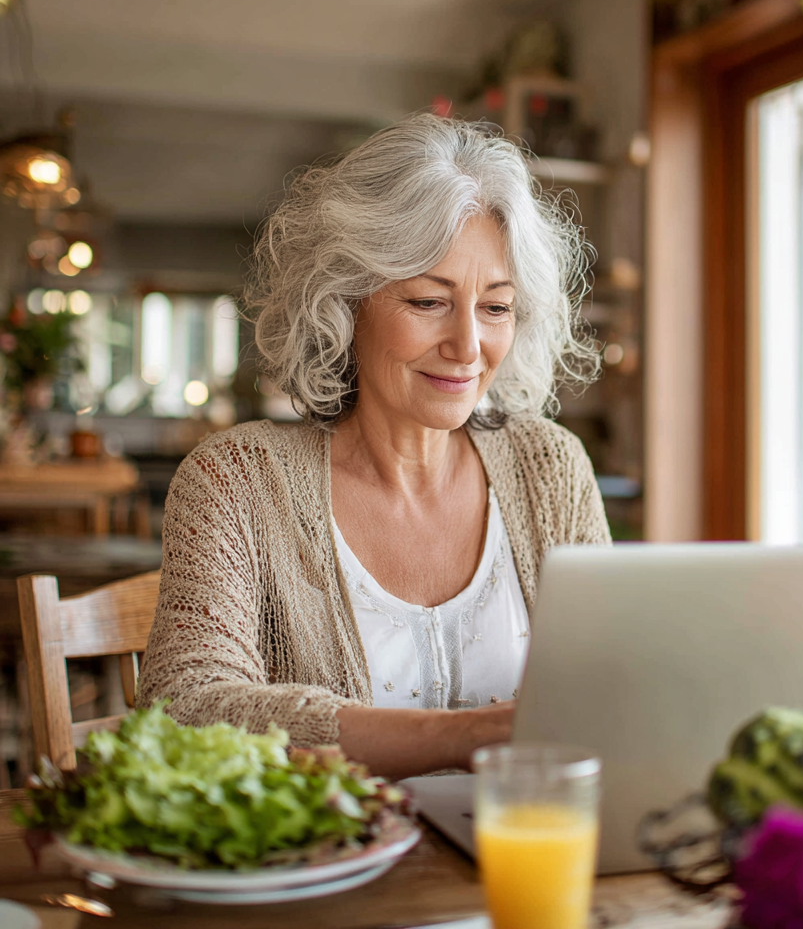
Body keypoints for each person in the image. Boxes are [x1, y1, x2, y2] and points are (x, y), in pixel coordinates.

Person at [136, 114, 611, 779]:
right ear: (344, 301)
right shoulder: (236, 480)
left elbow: (610, 688)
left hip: (522, 853)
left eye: (497, 307)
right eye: (427, 301)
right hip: (327, 870)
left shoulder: (550, 466)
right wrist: (472, 734)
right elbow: (185, 710)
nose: (469, 348)